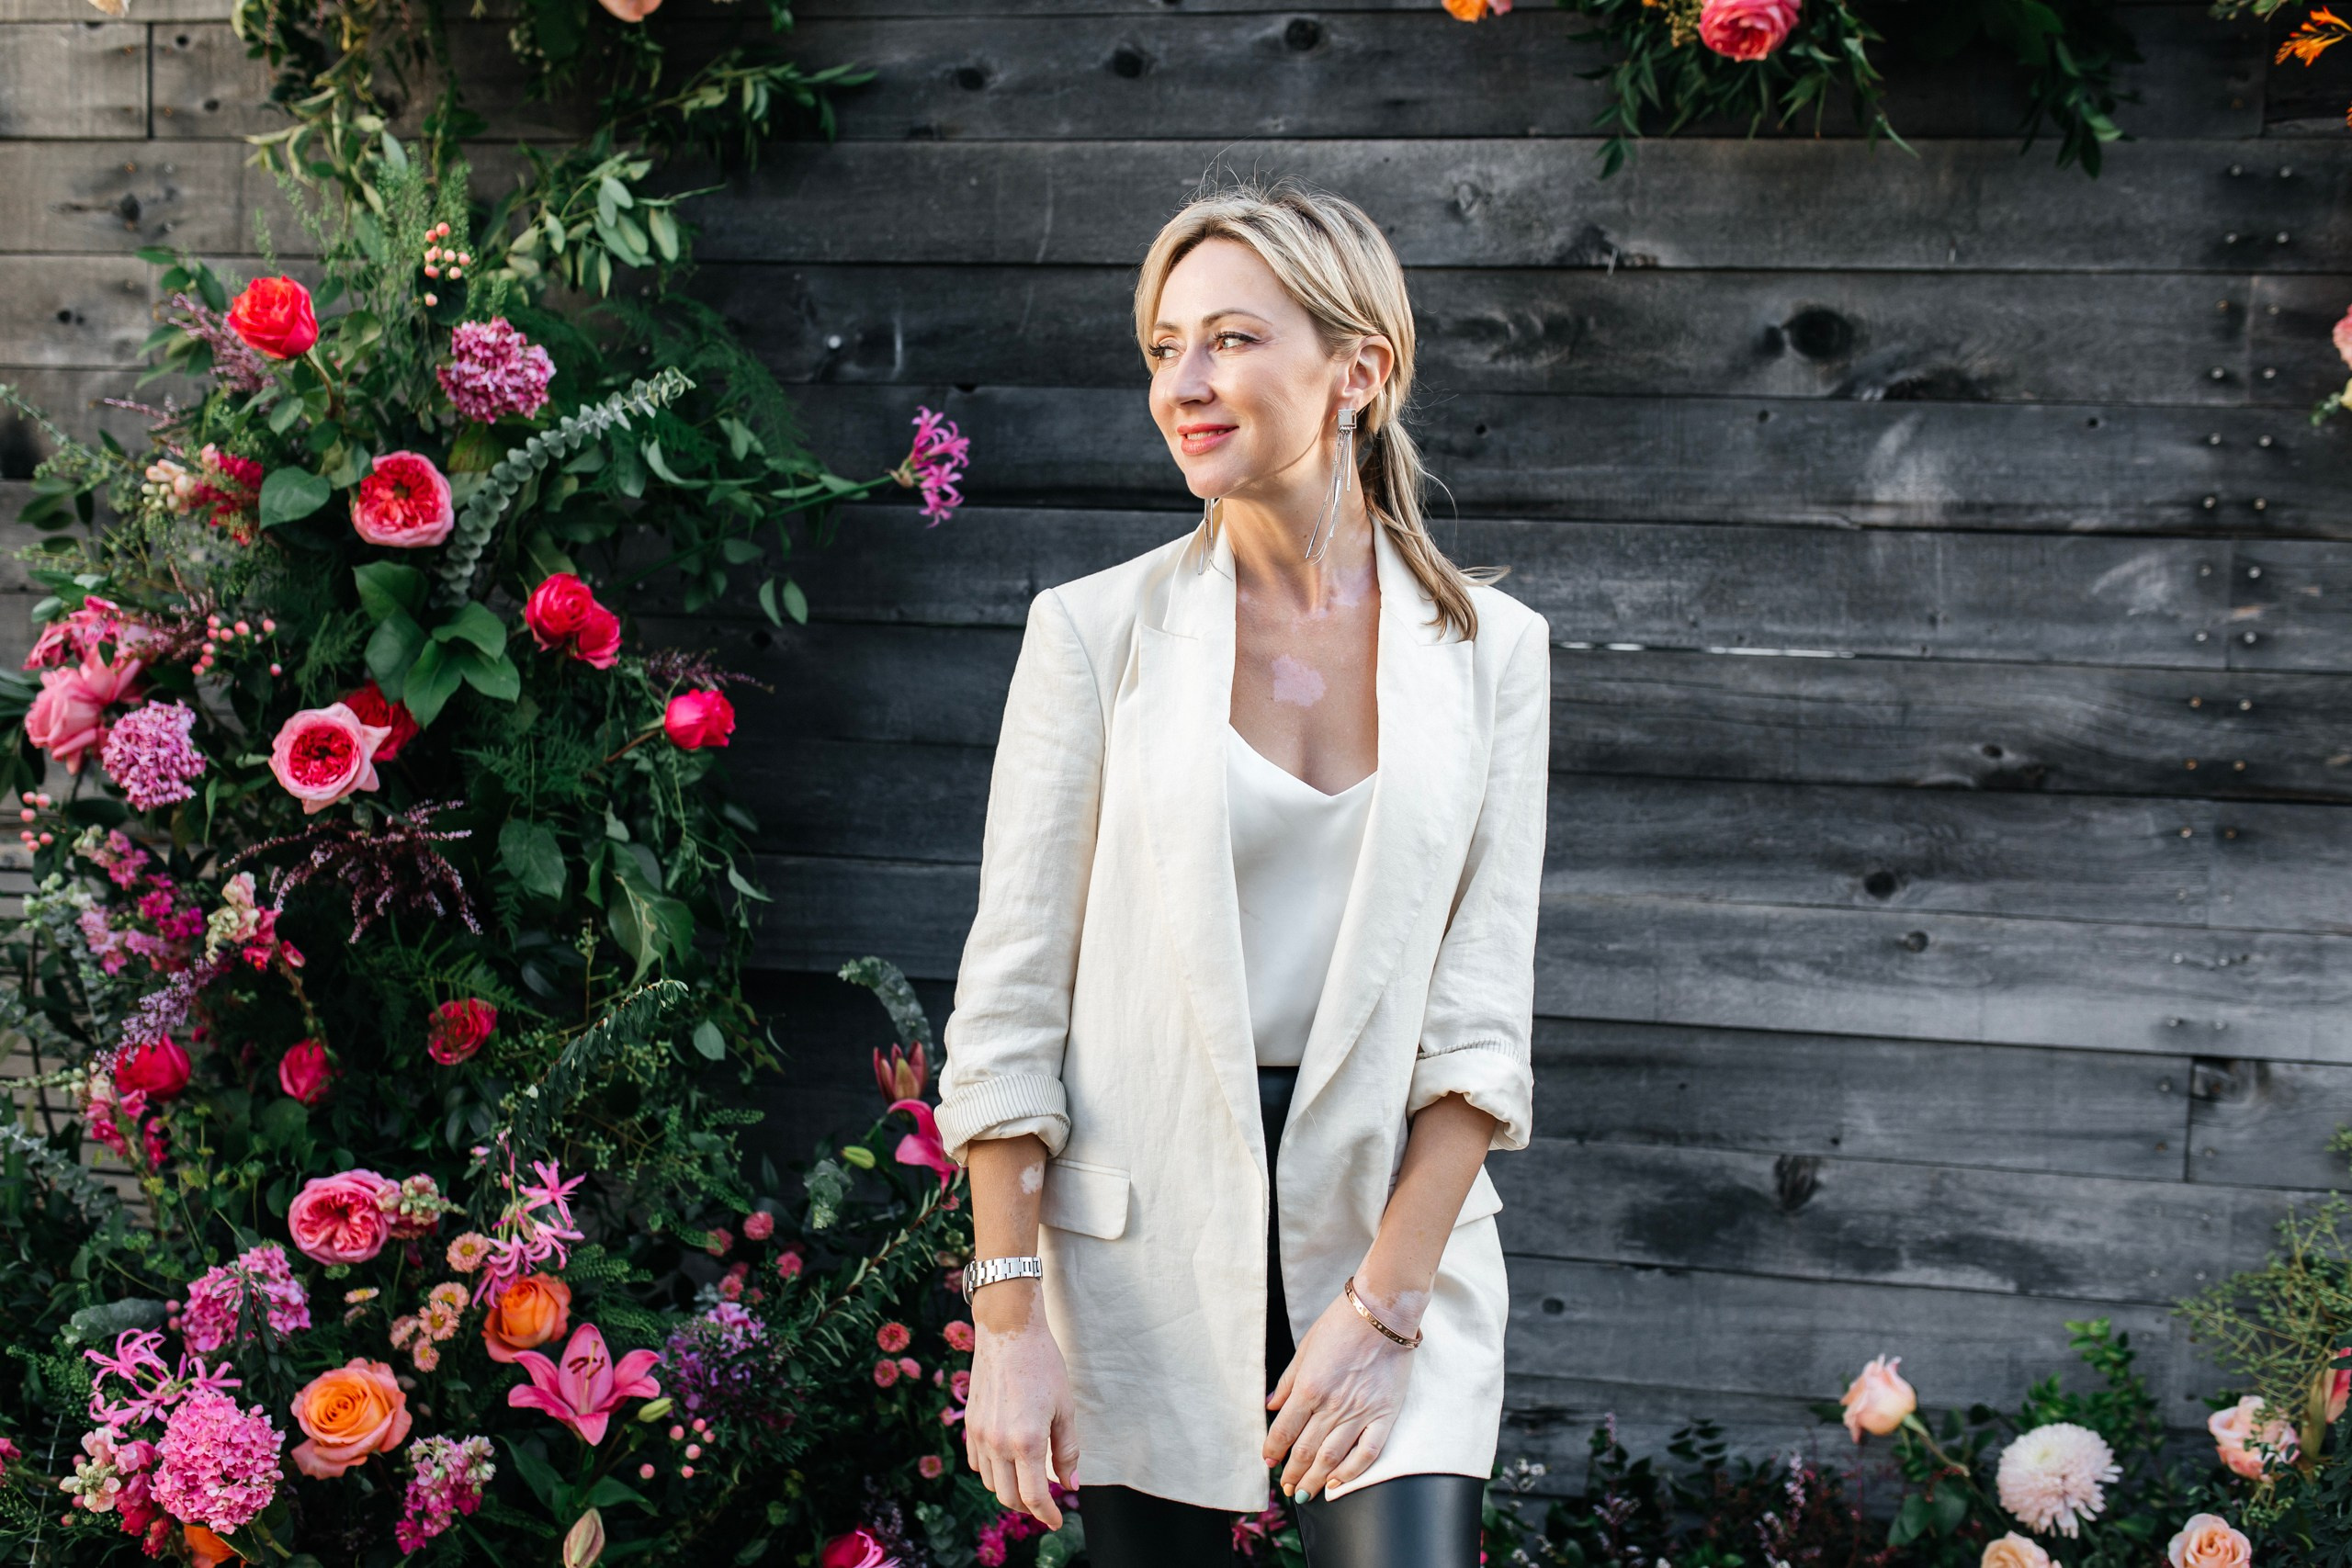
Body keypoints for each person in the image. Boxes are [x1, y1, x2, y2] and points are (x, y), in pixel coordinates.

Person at [932, 178, 1552, 1568]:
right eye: (1163, 347)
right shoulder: (1092, 634)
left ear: (1358, 372)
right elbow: (1011, 1005)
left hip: (1393, 1230)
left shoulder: (1498, 654)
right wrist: (1010, 1325)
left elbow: (1478, 1024)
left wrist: (1388, 1310)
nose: (1185, 384)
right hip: (1140, 1249)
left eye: (1229, 339)